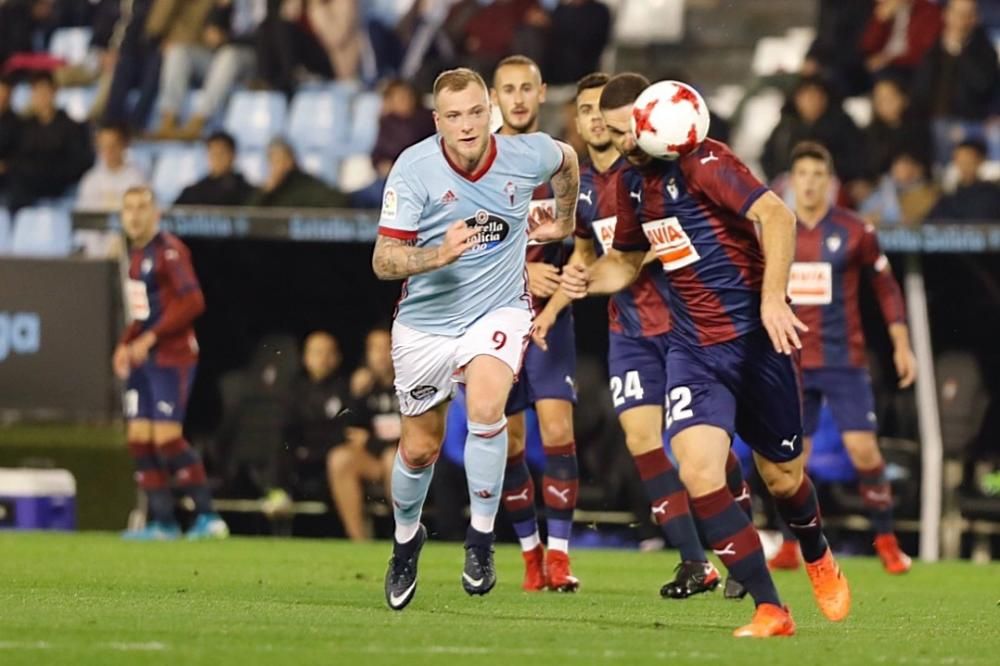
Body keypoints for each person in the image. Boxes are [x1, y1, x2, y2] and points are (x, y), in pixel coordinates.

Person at [561, 73, 850, 637]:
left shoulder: (707, 162)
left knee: (783, 477)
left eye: (626, 131)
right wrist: (584, 279)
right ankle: (771, 608)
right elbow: (624, 261)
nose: (619, 141)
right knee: (696, 469)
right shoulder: (631, 188)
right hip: (694, 348)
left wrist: (772, 299)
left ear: (651, 123)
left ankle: (816, 552)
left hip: (759, 342)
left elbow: (778, 217)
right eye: (614, 132)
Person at [534, 72, 755, 601]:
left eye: (598, 109)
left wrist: (642, 252)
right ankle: (694, 562)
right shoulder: (582, 188)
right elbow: (586, 255)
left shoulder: (652, 174)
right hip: (629, 329)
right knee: (640, 439)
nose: (591, 119)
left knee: (696, 447)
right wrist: (555, 306)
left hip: (682, 323)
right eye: (583, 111)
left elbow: (670, 238)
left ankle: (741, 541)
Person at [372, 66, 579, 610]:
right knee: (420, 449)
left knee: (488, 409)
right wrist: (437, 254)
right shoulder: (414, 168)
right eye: (454, 116)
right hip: (426, 322)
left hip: (498, 308)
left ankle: (481, 540)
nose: (467, 126)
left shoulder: (525, 152)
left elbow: (568, 162)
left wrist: (562, 219)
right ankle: (404, 541)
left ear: (489, 111)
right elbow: (384, 260)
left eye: (474, 112)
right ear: (438, 121)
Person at [770, 141, 916, 574]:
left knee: (864, 451)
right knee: (791, 462)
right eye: (803, 176)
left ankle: (888, 541)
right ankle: (790, 545)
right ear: (791, 182)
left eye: (818, 176)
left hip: (843, 360)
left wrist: (901, 343)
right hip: (792, 358)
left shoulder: (855, 231)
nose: (810, 184)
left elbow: (886, 288)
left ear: (829, 183)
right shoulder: (778, 229)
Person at [490, 54, 580, 592]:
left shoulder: (562, 163)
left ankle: (561, 557)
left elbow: (586, 246)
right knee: (509, 441)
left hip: (550, 321)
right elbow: (461, 242)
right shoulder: (479, 163)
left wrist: (561, 288)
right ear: (494, 97)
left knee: (559, 430)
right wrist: (522, 268)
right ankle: (529, 555)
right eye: (509, 89)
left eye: (527, 87)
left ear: (542, 91)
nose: (519, 97)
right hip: (494, 318)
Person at [113, 186, 228, 541]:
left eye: (141, 208)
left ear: (155, 213)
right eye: (128, 208)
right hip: (144, 357)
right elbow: (141, 313)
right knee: (139, 438)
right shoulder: (134, 256)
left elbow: (193, 301)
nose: (134, 215)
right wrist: (125, 344)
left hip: (172, 356)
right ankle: (161, 523)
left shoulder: (170, 251)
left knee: (167, 438)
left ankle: (209, 518)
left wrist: (149, 338)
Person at [327, 328, 399, 540]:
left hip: (411, 461)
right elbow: (349, 432)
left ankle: (406, 538)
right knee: (339, 458)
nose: (381, 354)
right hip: (375, 459)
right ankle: (359, 540)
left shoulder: (413, 383)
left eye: (387, 347)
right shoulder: (362, 387)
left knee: (393, 458)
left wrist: (373, 440)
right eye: (374, 348)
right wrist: (355, 395)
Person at [911, 0, 999, 121]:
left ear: (976, 18)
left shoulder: (985, 48)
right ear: (946, 14)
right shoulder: (933, 45)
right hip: (929, 119)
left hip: (967, 123)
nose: (962, 20)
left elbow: (983, 85)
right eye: (957, 13)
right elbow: (921, 86)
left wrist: (959, 51)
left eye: (968, 14)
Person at [246, 138, 349, 208]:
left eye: (282, 159)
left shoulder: (307, 183)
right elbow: (249, 216)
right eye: (273, 160)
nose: (279, 165)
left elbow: (339, 201)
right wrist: (265, 193)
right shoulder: (268, 189)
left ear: (291, 160)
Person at [76, 123, 148, 211]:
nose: (109, 151)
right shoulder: (90, 179)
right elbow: (83, 216)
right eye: (104, 146)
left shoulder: (138, 178)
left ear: (124, 145)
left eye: (113, 145)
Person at [927, 139, 1000, 222]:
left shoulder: (991, 195)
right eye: (959, 160)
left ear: (980, 160)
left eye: (969, 160)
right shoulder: (948, 196)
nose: (964, 166)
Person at [174, 131, 254, 206]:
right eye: (213, 153)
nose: (217, 158)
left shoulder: (246, 192)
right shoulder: (194, 192)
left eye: (222, 153)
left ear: (233, 155)